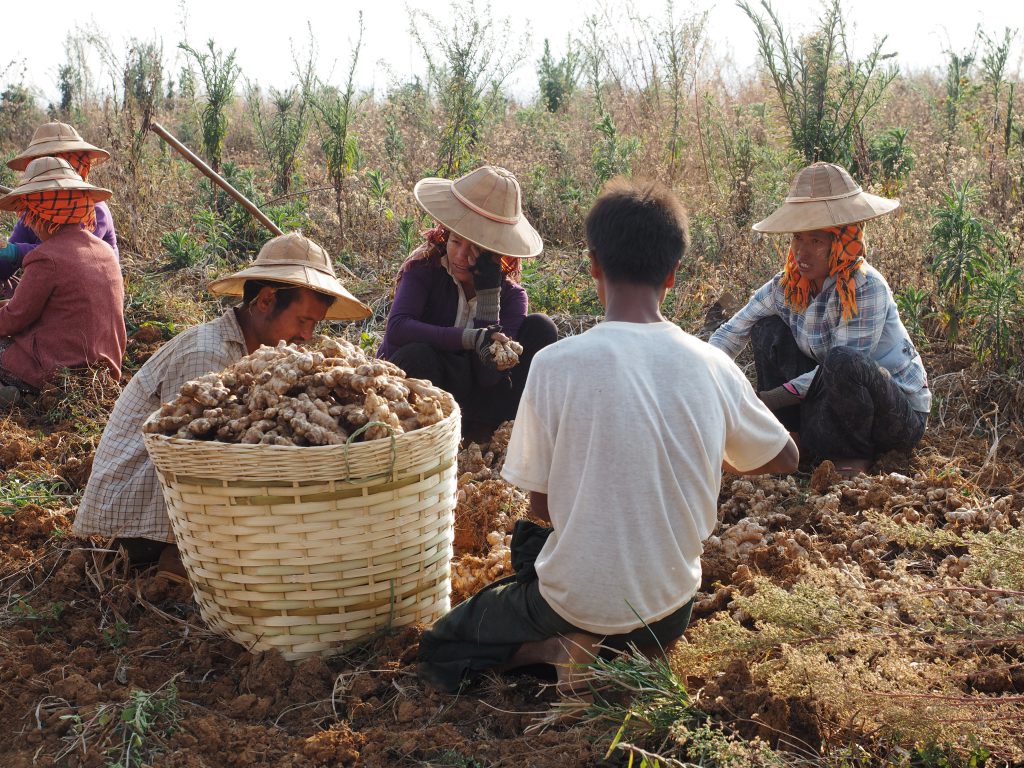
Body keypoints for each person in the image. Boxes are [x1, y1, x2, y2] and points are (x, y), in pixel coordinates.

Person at [417, 178, 798, 695]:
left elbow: (543, 508)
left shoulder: (554, 365)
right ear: (673, 274)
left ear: (593, 264)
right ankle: (625, 652)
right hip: (668, 607)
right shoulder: (713, 366)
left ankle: (555, 647)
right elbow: (786, 457)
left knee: (446, 642)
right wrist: (716, 453)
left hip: (575, 598)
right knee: (625, 597)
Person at [73, 232, 371, 581]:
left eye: (315, 324)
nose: (307, 335)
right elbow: (198, 459)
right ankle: (179, 559)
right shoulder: (209, 354)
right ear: (265, 300)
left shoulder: (261, 356)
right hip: (138, 518)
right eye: (303, 320)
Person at [709, 162, 930, 477]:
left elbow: (839, 368)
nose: (803, 251)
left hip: (893, 416)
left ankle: (852, 455)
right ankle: (792, 437)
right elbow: (732, 332)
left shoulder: (865, 286)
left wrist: (761, 402)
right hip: (831, 403)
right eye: (798, 239)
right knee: (767, 328)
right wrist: (706, 376)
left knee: (842, 360)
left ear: (840, 243)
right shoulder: (785, 287)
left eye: (816, 241)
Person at [377, 165, 557, 434]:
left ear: (497, 253)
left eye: (476, 248)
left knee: (541, 328)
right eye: (455, 241)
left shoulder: (511, 297)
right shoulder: (424, 270)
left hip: (479, 400)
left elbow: (488, 377)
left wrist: (488, 297)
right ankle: (429, 436)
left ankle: (485, 433)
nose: (461, 256)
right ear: (445, 235)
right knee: (418, 355)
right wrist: (471, 338)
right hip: (425, 393)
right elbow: (398, 329)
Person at [0, 156, 125, 404]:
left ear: (38, 216)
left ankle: (21, 395)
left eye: (30, 216)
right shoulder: (103, 251)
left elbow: (14, 320)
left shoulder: (46, 258)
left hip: (58, 373)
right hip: (104, 373)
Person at [2, 122, 119, 295]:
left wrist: (17, 252)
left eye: (57, 160)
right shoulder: (33, 209)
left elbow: (70, 255)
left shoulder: (91, 209)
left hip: (87, 297)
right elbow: (9, 259)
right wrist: (5, 255)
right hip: (48, 292)